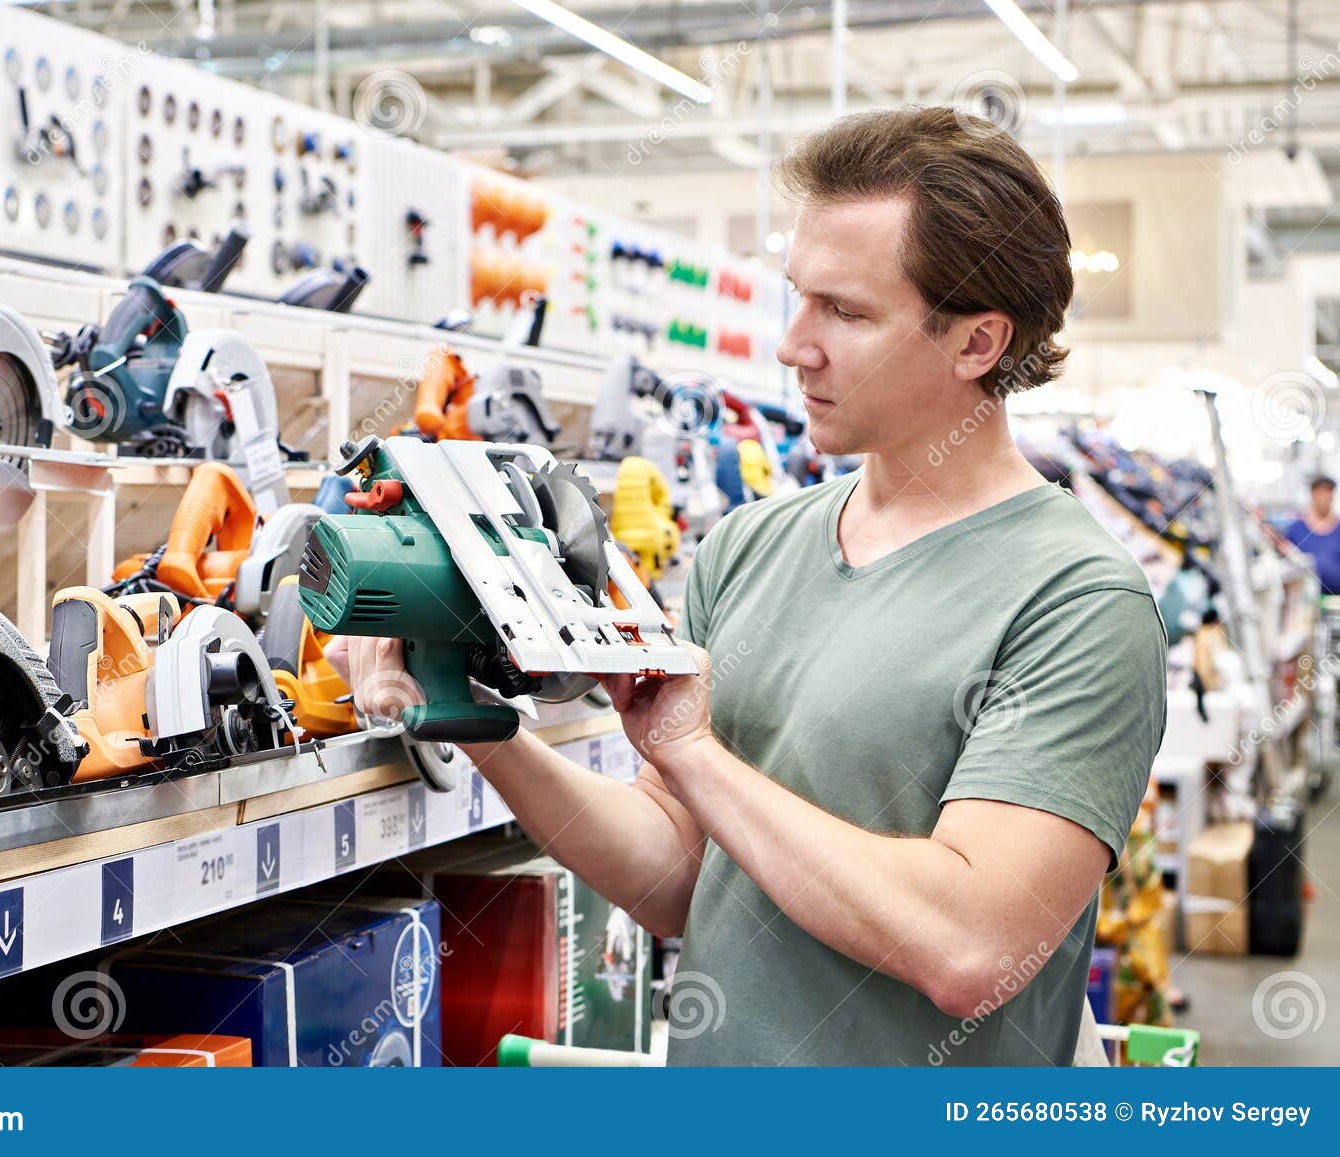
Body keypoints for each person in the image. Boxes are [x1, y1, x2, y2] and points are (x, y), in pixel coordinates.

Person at [334, 107, 1166, 1066]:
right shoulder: (750, 547)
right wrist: (473, 717)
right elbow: (674, 874)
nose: (791, 344)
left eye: (846, 313)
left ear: (978, 343)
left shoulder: (1076, 602)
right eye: (796, 298)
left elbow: (970, 945)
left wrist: (695, 755)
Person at [1286, 476, 1340, 595]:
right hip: (1305, 600)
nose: (1326, 498)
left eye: (1329, 493)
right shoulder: (1296, 529)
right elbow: (1287, 560)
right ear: (1313, 494)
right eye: (1321, 492)